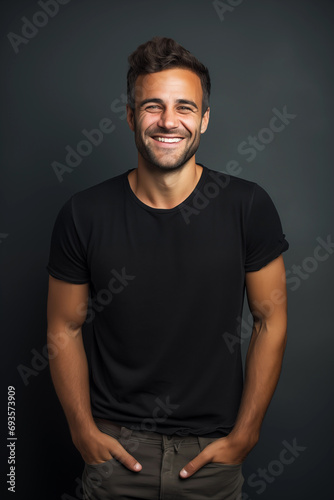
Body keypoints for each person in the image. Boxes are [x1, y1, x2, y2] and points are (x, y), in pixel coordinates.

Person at [46, 36, 289, 500]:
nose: (168, 121)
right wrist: (82, 432)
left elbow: (270, 318)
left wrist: (246, 435)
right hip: (114, 457)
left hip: (211, 458)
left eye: (184, 107)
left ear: (204, 119)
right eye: (153, 106)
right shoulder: (83, 213)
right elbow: (63, 325)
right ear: (131, 115)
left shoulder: (248, 205)